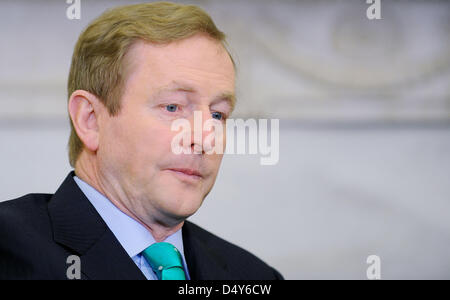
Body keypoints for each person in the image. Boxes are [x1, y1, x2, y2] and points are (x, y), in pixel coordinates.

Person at [0, 2, 283, 280]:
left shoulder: (254, 275)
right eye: (173, 107)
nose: (204, 138)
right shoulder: (9, 250)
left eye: (218, 114)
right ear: (90, 120)